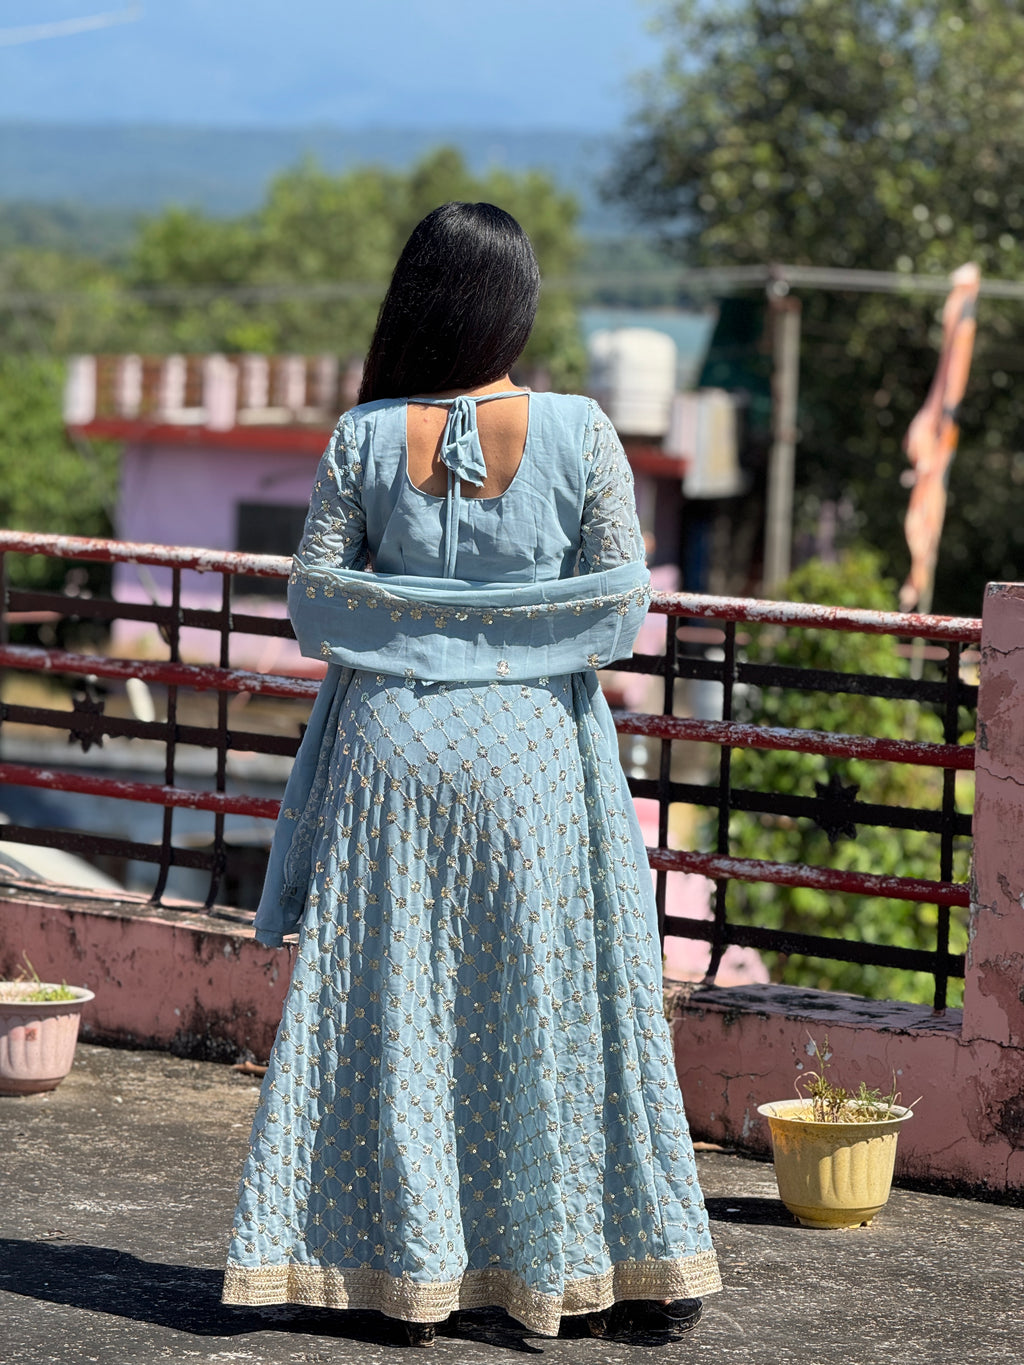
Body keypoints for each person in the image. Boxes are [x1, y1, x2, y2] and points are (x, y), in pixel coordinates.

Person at [222, 202, 721, 1346]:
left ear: (418, 300)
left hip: (390, 748)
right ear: (516, 305)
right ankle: (571, 1271)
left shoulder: (361, 437)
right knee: (547, 1007)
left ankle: (402, 1276)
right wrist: (506, 625)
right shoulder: (582, 429)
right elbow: (615, 608)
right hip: (534, 759)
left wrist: (418, 624)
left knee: (392, 1007)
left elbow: (312, 603)